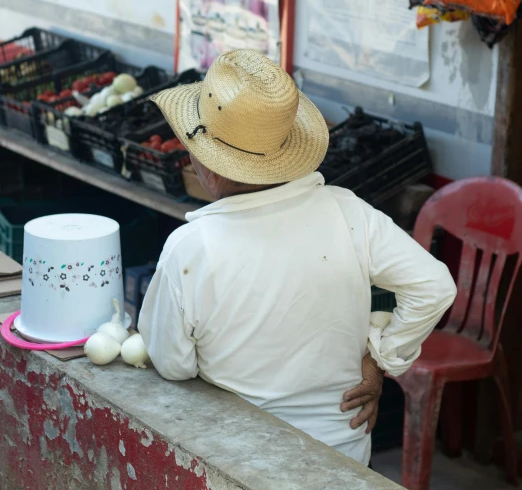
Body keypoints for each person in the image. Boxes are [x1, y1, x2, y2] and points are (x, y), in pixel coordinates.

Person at [138, 49, 456, 466]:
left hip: (240, 463)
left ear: (209, 165)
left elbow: (173, 364)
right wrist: (379, 357)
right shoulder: (348, 211)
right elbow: (434, 286)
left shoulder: (190, 247)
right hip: (342, 459)